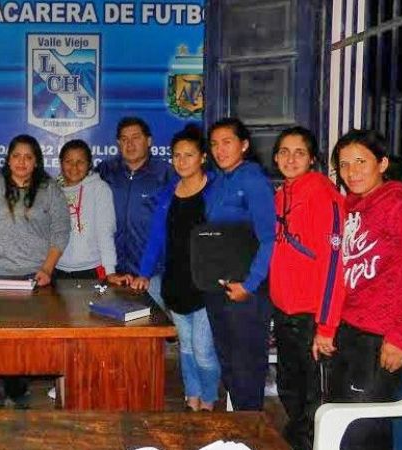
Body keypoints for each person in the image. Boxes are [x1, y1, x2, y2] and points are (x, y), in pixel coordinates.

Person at [328, 129, 402, 450]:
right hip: (351, 328)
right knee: (350, 420)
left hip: (383, 335)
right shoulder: (350, 209)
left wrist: (401, 336)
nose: (352, 172)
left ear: (382, 163)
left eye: (361, 161)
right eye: (345, 165)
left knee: (360, 428)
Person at [0, 134, 70, 408]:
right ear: (8, 159)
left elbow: (60, 232)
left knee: (28, 339)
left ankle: (20, 388)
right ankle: (2, 389)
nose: (21, 162)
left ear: (36, 161)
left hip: (35, 278)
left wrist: (47, 269)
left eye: (28, 157)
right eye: (16, 156)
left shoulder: (50, 189)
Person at [130, 125, 220, 412]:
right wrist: (144, 273)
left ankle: (209, 398)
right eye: (177, 156)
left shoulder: (216, 189)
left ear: (203, 157)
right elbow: (156, 238)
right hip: (176, 279)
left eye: (189, 155)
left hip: (207, 283)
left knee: (204, 351)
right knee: (186, 346)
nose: (182, 161)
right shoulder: (169, 193)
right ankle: (191, 395)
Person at [269, 127, 346, 450]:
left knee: (315, 396)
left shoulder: (324, 195)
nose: (290, 159)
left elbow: (333, 267)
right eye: (284, 152)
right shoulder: (280, 195)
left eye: (299, 152)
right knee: (290, 388)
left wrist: (326, 327)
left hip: (311, 317)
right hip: (284, 312)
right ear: (275, 158)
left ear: (312, 159)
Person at [202, 117, 276, 411]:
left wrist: (250, 284)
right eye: (215, 144)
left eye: (227, 142)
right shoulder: (219, 180)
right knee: (229, 364)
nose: (220, 150)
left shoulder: (253, 180)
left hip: (246, 288)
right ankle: (240, 430)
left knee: (247, 366)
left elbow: (269, 239)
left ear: (244, 145)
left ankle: (251, 432)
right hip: (220, 286)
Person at [95, 117, 176, 302]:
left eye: (136, 138)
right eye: (124, 139)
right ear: (118, 143)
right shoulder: (105, 171)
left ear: (148, 141)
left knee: (154, 328)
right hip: (113, 273)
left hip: (154, 274)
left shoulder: (166, 173)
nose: (129, 144)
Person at [54, 139, 118, 280]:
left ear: (89, 164)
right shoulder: (52, 190)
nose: (74, 167)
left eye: (80, 162)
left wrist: (110, 271)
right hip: (56, 269)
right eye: (68, 161)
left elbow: (105, 232)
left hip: (92, 269)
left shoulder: (100, 189)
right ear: (60, 163)